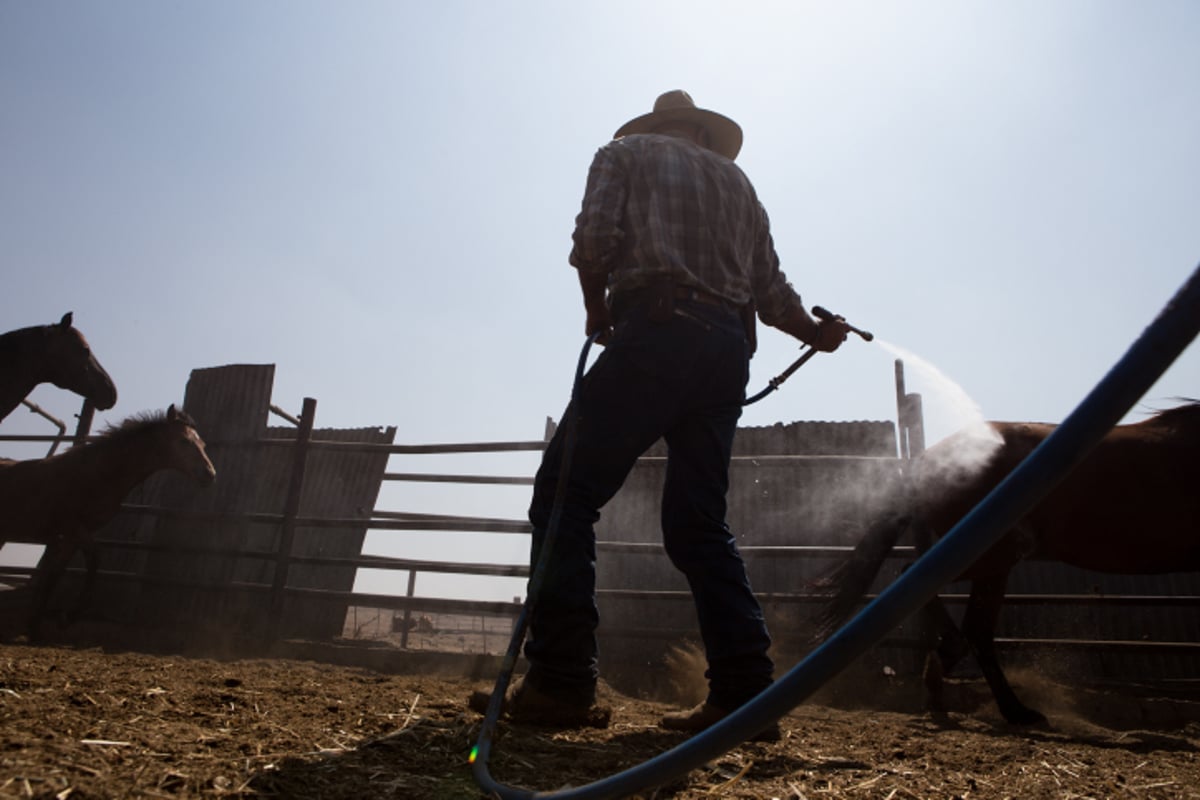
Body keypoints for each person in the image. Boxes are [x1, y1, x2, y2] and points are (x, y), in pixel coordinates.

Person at [481, 90, 849, 737]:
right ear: (704, 134)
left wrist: (597, 312)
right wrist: (816, 334)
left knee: (565, 497)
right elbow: (773, 292)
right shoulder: (739, 183)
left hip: (656, 328)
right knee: (699, 524)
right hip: (727, 352)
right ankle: (745, 694)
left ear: (660, 126)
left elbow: (594, 240)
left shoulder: (626, 152)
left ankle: (561, 683)